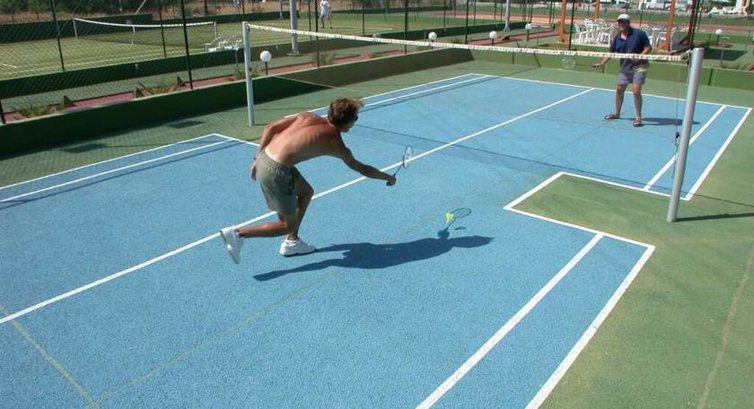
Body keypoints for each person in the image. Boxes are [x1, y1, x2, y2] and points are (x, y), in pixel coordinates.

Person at [219, 98, 396, 264]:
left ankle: (292, 242)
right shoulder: (335, 142)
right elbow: (363, 169)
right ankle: (237, 233)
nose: (356, 121)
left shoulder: (307, 117)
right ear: (347, 121)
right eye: (355, 118)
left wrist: (257, 158)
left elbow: (270, 127)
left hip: (266, 158)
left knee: (306, 192)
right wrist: (387, 177)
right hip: (276, 171)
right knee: (286, 226)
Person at [591, 13, 652, 127]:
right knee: (619, 89)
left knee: (636, 91)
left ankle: (638, 118)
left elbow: (648, 48)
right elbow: (611, 53)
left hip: (639, 66)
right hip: (625, 67)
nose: (621, 24)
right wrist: (602, 63)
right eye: (620, 22)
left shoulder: (639, 34)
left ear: (628, 23)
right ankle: (616, 113)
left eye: (624, 22)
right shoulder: (617, 38)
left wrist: (640, 56)